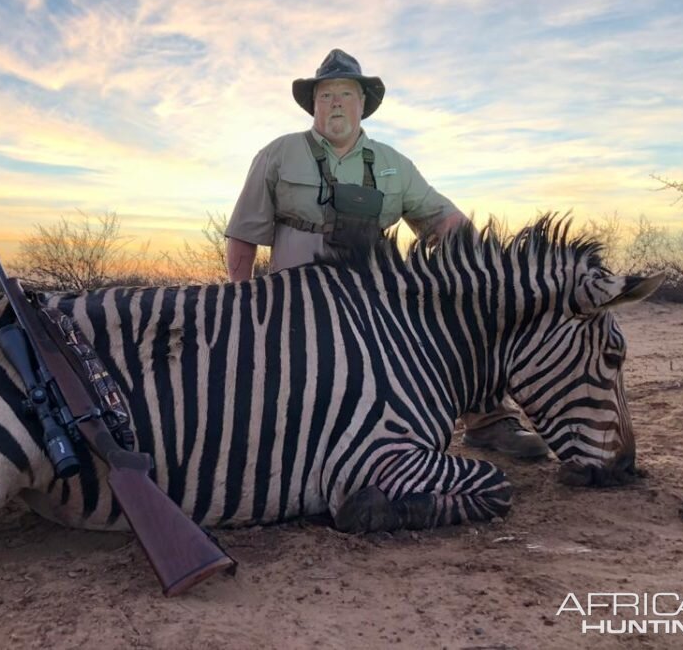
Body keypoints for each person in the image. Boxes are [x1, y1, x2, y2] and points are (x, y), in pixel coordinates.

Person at [224, 49, 546, 459]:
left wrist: (489, 264)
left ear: (363, 104)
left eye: (345, 92)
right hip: (294, 305)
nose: (335, 101)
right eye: (325, 95)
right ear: (313, 104)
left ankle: (489, 420)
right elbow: (243, 235)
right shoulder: (277, 154)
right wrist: (243, 308)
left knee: (456, 321)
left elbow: (442, 220)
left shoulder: (395, 163)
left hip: (373, 308)